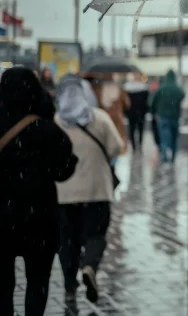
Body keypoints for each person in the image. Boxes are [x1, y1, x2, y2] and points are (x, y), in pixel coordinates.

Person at [0, 67, 78, 316]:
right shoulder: (47, 130)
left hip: (1, 219)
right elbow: (63, 172)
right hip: (39, 219)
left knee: (2, 286)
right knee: (38, 282)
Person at [54, 74, 123, 304]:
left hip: (64, 194)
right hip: (97, 192)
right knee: (95, 234)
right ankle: (90, 267)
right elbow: (116, 148)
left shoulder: (55, 122)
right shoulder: (100, 119)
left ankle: (69, 282)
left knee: (67, 241)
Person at [150, 70, 185, 164]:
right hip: (175, 117)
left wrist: (154, 112)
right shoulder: (177, 89)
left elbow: (152, 103)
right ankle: (173, 157)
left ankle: (165, 157)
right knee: (174, 138)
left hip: (163, 117)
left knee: (164, 138)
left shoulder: (161, 89)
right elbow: (182, 95)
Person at [124, 74, 150, 151]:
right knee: (137, 129)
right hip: (139, 112)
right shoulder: (144, 88)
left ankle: (135, 146)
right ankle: (137, 145)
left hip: (133, 113)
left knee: (133, 130)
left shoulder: (128, 88)